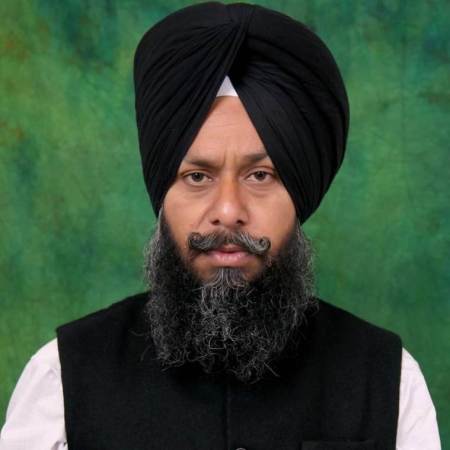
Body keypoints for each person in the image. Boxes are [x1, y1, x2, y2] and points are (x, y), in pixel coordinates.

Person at [0, 2, 441, 449]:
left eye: (261, 176)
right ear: (163, 195)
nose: (228, 211)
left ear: (299, 195)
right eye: (197, 177)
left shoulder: (389, 381)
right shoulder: (62, 380)